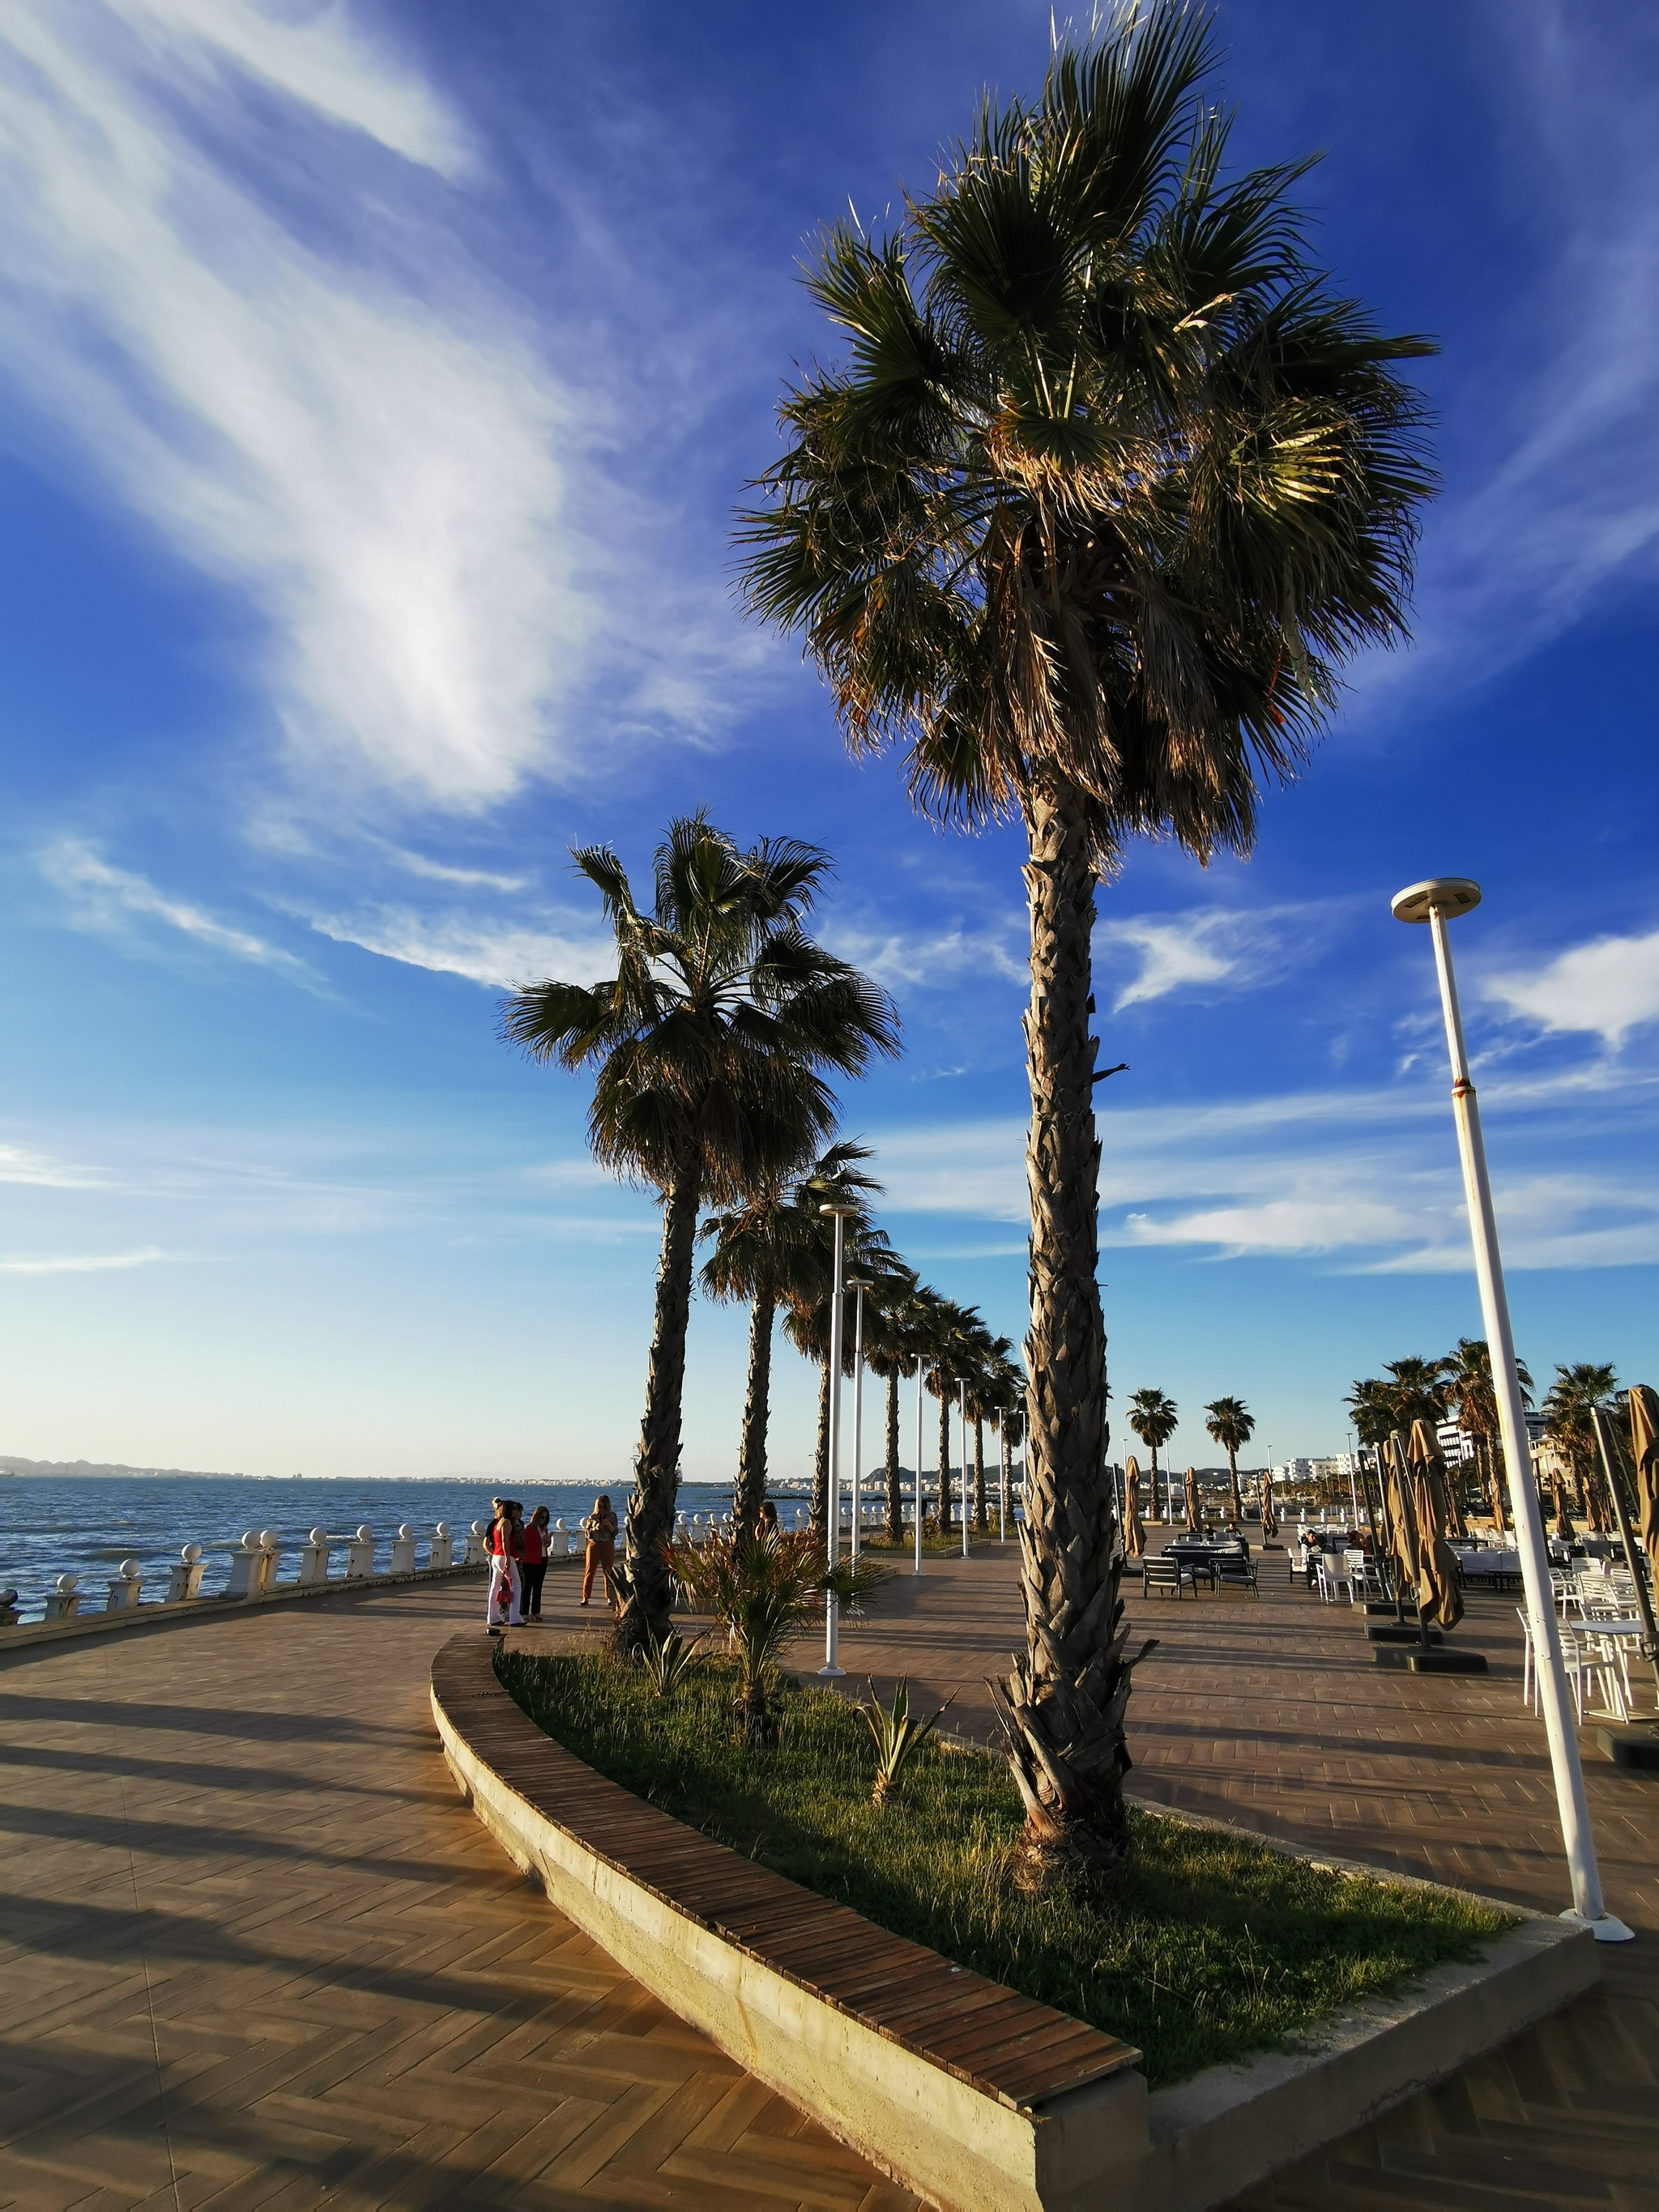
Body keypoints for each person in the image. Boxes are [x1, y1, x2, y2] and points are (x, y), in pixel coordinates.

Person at [485, 1498, 522, 1636]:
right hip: (503, 1556)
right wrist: (508, 1557)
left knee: (495, 1585)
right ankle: (515, 1617)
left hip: (495, 1557)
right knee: (516, 1584)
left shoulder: (498, 1523)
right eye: (513, 1509)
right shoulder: (506, 1522)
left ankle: (493, 1616)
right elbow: (504, 1541)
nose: (515, 1512)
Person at [581, 1494, 618, 1608]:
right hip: (594, 1544)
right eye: (600, 1506)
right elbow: (587, 1533)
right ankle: (585, 1597)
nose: (602, 1509)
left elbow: (615, 1532)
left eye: (604, 1506)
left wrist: (609, 1526)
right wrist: (595, 1528)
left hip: (607, 1544)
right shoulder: (592, 1517)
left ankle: (609, 1597)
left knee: (608, 1572)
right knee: (590, 1571)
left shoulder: (612, 1516)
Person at [520, 1506, 550, 1621]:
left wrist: (547, 1542)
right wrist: (541, 1541)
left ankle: (536, 1611)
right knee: (527, 1587)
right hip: (530, 1561)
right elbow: (527, 1544)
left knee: (538, 1587)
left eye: (545, 1518)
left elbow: (543, 1545)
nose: (543, 1520)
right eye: (542, 1517)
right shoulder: (530, 1529)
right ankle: (524, 1612)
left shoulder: (544, 1529)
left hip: (542, 1559)